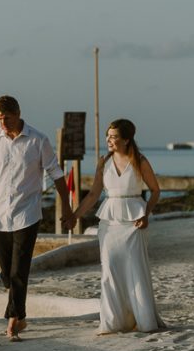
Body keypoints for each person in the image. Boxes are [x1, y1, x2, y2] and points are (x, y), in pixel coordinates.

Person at [0, 95, 74, 342]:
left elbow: (56, 174)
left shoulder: (38, 140)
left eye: (6, 118)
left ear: (18, 114)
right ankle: (21, 314)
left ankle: (13, 321)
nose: (3, 123)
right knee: (7, 273)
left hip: (27, 213)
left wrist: (67, 208)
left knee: (19, 269)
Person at [65, 118, 164, 334]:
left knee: (135, 269)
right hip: (109, 221)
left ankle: (143, 320)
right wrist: (75, 216)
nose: (109, 140)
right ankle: (113, 322)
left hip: (134, 221)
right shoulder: (103, 162)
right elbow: (93, 194)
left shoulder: (140, 161)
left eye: (114, 137)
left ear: (126, 140)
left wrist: (146, 214)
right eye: (108, 136)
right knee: (109, 269)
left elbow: (156, 191)